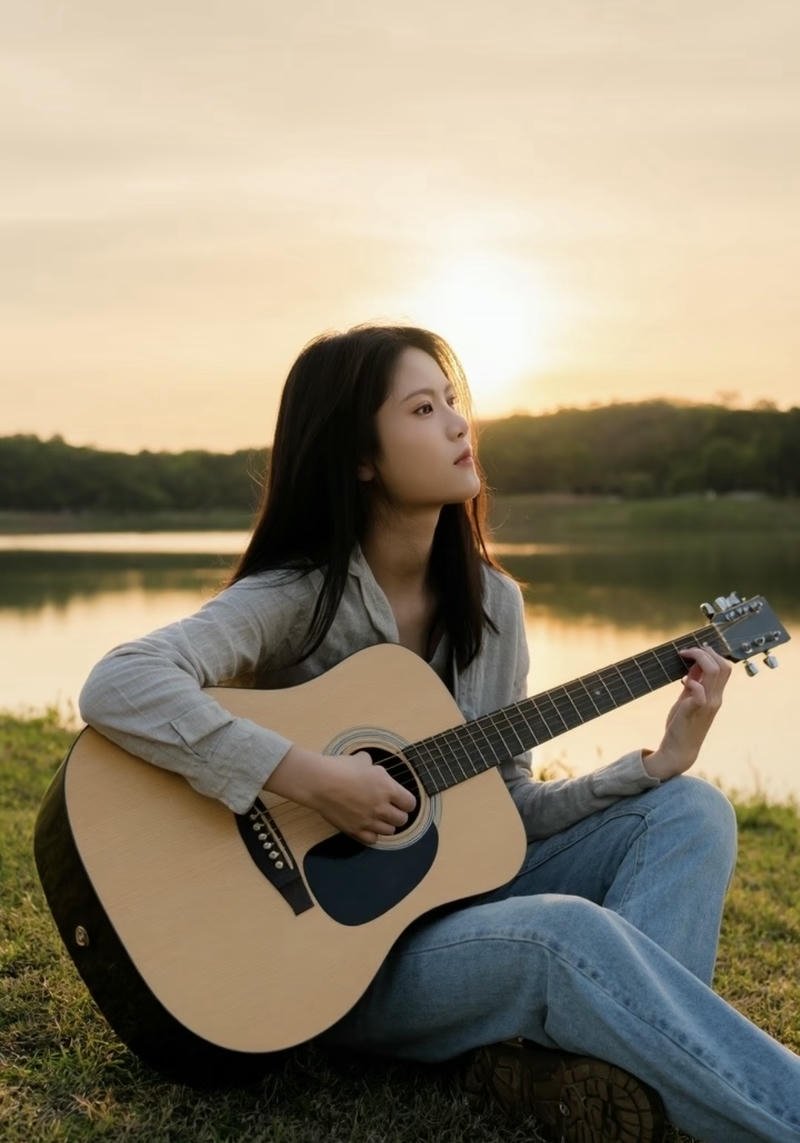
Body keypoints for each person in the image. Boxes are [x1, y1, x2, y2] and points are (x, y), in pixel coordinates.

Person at [79, 324, 800, 1143]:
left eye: (454, 402)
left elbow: (508, 812)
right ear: (360, 456)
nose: (460, 424)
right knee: (560, 935)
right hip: (336, 962)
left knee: (691, 810)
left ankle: (593, 1078)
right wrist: (313, 777)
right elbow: (120, 681)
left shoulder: (495, 606)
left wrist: (655, 764)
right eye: (424, 408)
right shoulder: (299, 596)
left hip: (461, 915)